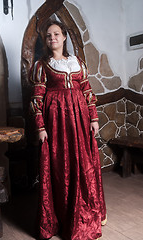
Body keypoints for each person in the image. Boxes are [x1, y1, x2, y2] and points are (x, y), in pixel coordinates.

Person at [30, 20, 107, 240]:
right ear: (46, 41)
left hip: (81, 121)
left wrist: (93, 118)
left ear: (64, 37)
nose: (52, 38)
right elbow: (36, 99)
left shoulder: (78, 63)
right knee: (61, 166)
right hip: (57, 123)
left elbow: (87, 90)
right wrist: (40, 127)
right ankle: (63, 217)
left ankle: (85, 214)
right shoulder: (41, 65)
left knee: (84, 164)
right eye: (48, 35)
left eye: (56, 34)